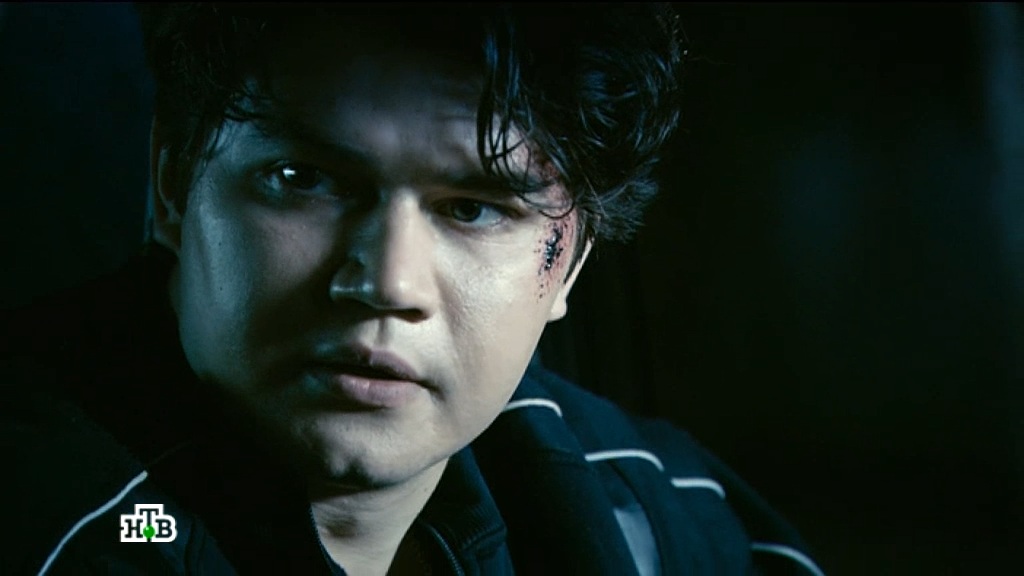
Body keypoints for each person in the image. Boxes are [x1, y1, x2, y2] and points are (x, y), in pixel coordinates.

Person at [3, 4, 824, 575]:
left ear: (569, 264)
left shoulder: (638, 504)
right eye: (304, 180)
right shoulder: (57, 521)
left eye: (472, 209)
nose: (386, 284)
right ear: (173, 185)